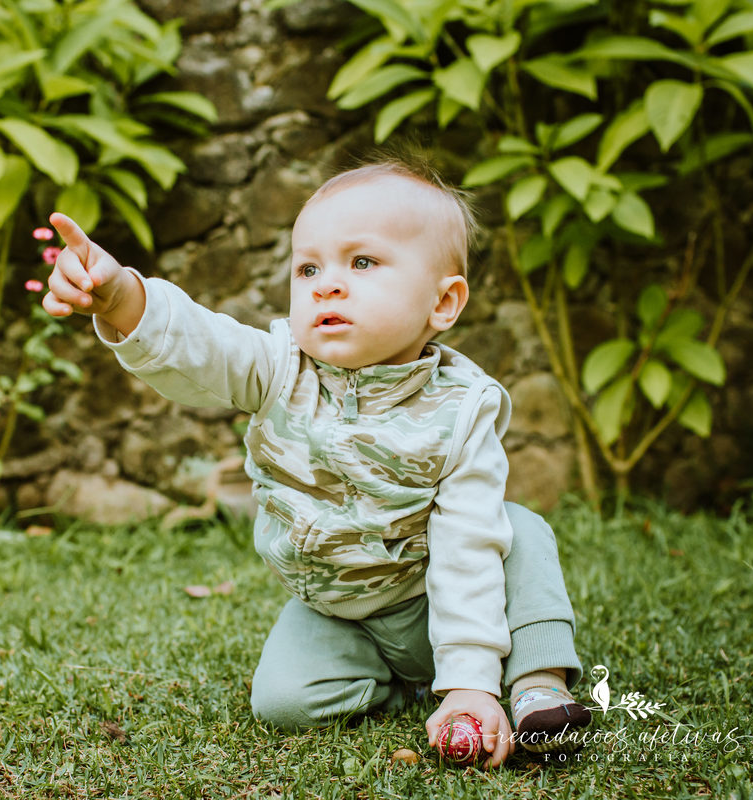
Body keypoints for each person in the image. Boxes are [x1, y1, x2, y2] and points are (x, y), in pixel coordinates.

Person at [42, 160, 591, 768]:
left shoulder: (461, 409)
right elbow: (205, 345)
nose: (327, 285)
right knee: (282, 703)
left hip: (433, 587)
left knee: (519, 534)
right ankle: (401, 686)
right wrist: (124, 298)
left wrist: (470, 681)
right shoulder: (278, 368)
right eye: (309, 268)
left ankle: (537, 685)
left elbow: (467, 545)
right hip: (342, 612)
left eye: (363, 262)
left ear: (443, 302)